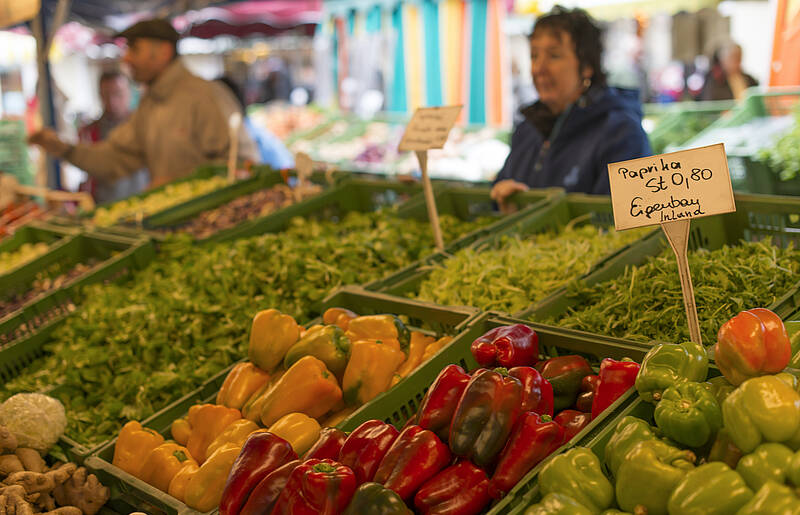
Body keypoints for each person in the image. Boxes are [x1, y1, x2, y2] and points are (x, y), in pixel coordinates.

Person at [29, 18, 256, 189]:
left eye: (134, 49)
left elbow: (244, 164)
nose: (126, 58)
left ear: (164, 52)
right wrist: (64, 148)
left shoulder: (204, 96)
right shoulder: (150, 105)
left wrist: (181, 184)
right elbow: (116, 158)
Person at [491, 6, 651, 207]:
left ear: (586, 67)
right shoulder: (527, 130)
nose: (539, 68)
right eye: (534, 56)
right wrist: (501, 200)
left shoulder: (620, 132)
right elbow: (497, 194)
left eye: (554, 55)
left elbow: (623, 218)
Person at [78, 71, 148, 203]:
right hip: (105, 206)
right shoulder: (90, 132)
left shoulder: (145, 126)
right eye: (106, 95)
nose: (112, 101)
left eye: (118, 93)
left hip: (144, 203)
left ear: (129, 92)